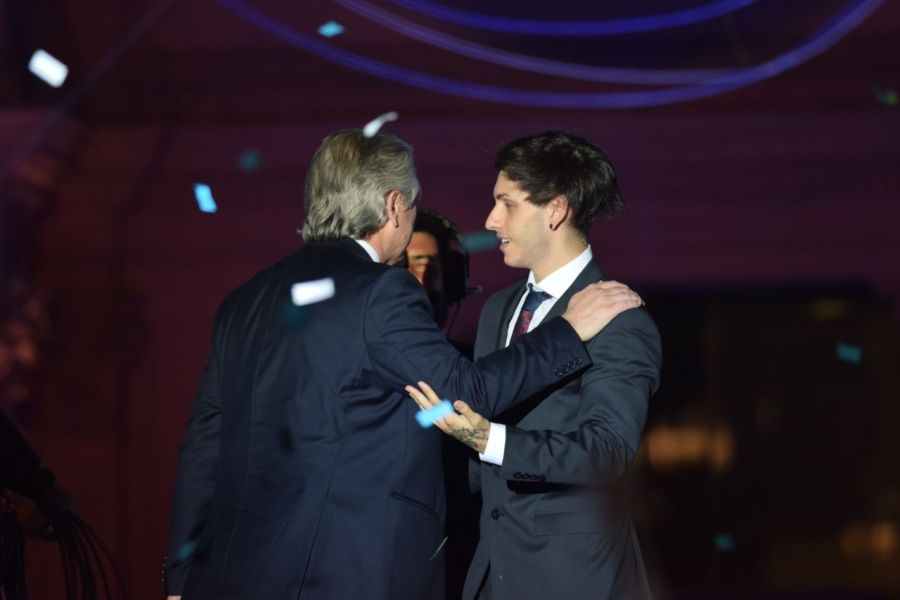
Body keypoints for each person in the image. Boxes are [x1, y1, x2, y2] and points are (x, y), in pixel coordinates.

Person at [164, 129, 644, 600]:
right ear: (394, 205)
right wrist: (568, 331)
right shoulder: (383, 290)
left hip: (225, 576)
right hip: (346, 572)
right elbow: (465, 391)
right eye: (414, 206)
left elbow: (204, 446)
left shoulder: (242, 302)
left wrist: (182, 575)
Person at [407, 130, 662, 600]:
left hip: (574, 577)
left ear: (556, 210)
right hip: (491, 570)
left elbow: (607, 453)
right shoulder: (498, 309)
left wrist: (492, 440)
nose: (490, 219)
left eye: (507, 204)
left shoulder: (619, 317)